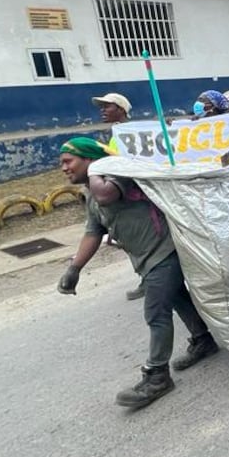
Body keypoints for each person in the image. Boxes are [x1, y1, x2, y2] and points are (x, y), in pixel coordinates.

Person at [56, 137, 219, 409]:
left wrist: (98, 167)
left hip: (164, 250)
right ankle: (203, 340)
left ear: (89, 159)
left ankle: (157, 376)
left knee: (156, 312)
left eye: (68, 161)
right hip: (147, 258)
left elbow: (106, 195)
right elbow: (93, 231)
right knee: (176, 297)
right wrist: (75, 268)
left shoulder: (116, 175)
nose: (63, 168)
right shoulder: (90, 193)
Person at [90, 92, 146, 301]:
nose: (103, 111)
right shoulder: (116, 135)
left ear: (121, 109)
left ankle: (150, 278)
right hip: (119, 195)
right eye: (101, 107)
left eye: (107, 106)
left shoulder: (132, 134)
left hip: (133, 197)